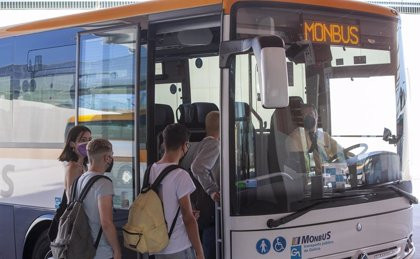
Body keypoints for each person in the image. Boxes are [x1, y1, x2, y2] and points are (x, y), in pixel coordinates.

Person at [149, 123, 204, 259]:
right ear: (184, 145)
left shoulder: (150, 170)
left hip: (156, 245)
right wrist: (199, 251)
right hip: (177, 246)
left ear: (164, 143)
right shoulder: (180, 175)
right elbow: (188, 218)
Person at [181, 111, 220, 259]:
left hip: (196, 205)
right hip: (207, 209)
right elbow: (198, 167)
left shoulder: (194, 146)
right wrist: (212, 190)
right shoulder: (214, 145)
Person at [75, 138, 121, 259]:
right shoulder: (104, 184)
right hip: (100, 251)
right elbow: (106, 223)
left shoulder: (80, 179)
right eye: (111, 155)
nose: (112, 158)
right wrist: (117, 250)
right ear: (107, 158)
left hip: (82, 248)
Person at [286, 104, 346, 174]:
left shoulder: (324, 136)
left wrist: (356, 160)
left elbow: (341, 151)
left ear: (316, 116)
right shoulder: (296, 136)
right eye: (304, 114)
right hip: (305, 179)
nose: (308, 116)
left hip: (326, 177)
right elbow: (298, 164)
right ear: (302, 118)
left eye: (310, 113)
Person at [58, 125, 92, 200]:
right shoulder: (73, 167)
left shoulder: (83, 165)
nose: (88, 143)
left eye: (89, 139)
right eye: (83, 140)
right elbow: (71, 197)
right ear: (72, 144)